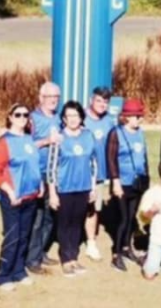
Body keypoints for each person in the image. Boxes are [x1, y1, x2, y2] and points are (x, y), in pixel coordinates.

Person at [0, 103, 43, 291]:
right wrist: (10, 192)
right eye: (18, 115)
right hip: (12, 198)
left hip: (30, 197)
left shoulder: (29, 140)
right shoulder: (4, 142)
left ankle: (19, 271)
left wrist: (40, 185)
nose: (22, 118)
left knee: (24, 235)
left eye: (25, 115)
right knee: (12, 237)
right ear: (10, 117)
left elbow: (34, 165)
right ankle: (3, 276)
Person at [48, 101, 97, 277]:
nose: (73, 119)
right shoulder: (59, 138)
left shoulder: (88, 135)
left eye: (76, 115)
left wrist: (93, 188)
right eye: (69, 116)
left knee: (77, 224)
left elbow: (93, 163)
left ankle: (74, 258)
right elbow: (51, 167)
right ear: (64, 119)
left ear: (81, 117)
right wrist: (53, 192)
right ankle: (66, 259)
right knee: (64, 224)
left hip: (83, 187)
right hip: (65, 188)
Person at [105, 98, 149, 272]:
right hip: (122, 183)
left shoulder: (140, 133)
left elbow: (144, 157)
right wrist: (115, 181)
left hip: (137, 182)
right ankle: (116, 254)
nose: (139, 119)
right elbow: (111, 158)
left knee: (131, 218)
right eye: (136, 116)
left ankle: (126, 247)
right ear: (127, 117)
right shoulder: (116, 133)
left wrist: (147, 178)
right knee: (122, 219)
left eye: (140, 116)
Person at [26, 81, 61, 274]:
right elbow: (26, 145)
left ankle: (41, 252)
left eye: (56, 97)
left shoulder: (58, 118)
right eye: (49, 97)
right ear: (41, 98)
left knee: (50, 217)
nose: (53, 101)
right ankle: (31, 260)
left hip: (53, 174)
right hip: (37, 174)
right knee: (38, 219)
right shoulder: (32, 119)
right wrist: (47, 141)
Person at [84, 86, 115, 262]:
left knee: (93, 208)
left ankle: (90, 243)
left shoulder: (109, 121)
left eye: (105, 102)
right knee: (75, 209)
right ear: (91, 100)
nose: (102, 104)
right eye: (99, 100)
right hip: (81, 173)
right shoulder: (82, 119)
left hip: (100, 174)